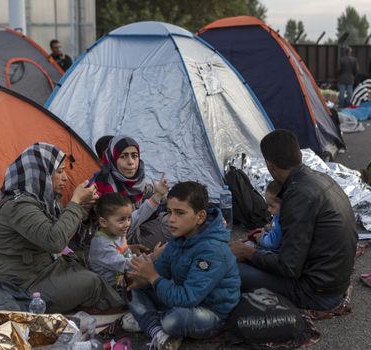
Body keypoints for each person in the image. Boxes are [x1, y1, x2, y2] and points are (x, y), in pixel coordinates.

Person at [0, 143, 123, 313]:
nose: (65, 178)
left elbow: (58, 224)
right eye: (59, 172)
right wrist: (75, 202)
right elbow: (55, 241)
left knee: (81, 260)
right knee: (90, 281)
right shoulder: (19, 206)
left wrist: (83, 208)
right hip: (19, 287)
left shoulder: (37, 201)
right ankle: (123, 307)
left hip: (39, 271)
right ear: (41, 174)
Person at [230, 130, 358, 311]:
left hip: (316, 294)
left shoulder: (298, 195)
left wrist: (247, 253)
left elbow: (289, 268)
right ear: (298, 155)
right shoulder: (318, 178)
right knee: (246, 256)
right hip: (332, 283)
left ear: (270, 165)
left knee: (224, 269)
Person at [125, 181, 240, 349]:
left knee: (174, 320)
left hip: (210, 311)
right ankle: (156, 330)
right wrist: (143, 280)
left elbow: (187, 298)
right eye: (169, 212)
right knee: (131, 289)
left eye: (179, 213)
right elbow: (161, 272)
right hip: (181, 296)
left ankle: (149, 319)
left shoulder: (212, 250)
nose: (171, 220)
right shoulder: (180, 237)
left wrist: (152, 277)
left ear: (200, 217)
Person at [89, 192, 159, 290]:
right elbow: (126, 265)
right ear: (104, 222)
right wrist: (153, 256)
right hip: (114, 288)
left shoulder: (115, 232)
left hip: (126, 275)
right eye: (121, 220)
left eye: (128, 218)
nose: (127, 224)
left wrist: (158, 195)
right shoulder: (102, 245)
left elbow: (138, 214)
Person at [247, 181, 282, 251]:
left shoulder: (281, 221)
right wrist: (268, 229)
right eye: (268, 205)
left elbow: (273, 243)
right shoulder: (278, 216)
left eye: (272, 206)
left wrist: (261, 238)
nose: (268, 209)